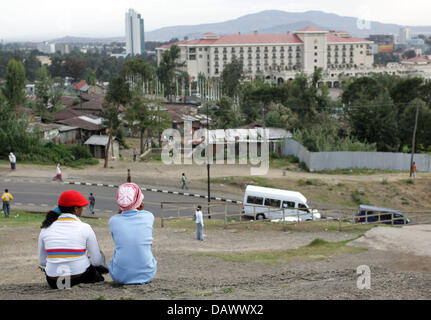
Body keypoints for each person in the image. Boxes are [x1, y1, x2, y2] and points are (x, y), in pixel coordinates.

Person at [38, 190, 108, 289]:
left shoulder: (45, 229)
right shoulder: (85, 228)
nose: (82, 209)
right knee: (98, 276)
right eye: (81, 207)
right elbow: (96, 261)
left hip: (53, 281)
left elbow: (42, 261)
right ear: (76, 209)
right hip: (79, 277)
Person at [109, 183, 157, 285]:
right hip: (147, 274)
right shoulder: (149, 216)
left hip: (119, 276)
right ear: (140, 203)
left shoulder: (113, 221)